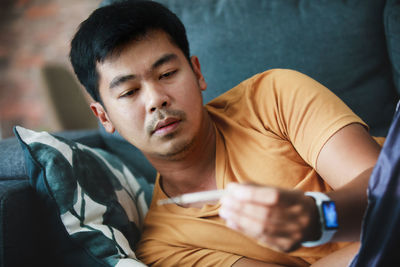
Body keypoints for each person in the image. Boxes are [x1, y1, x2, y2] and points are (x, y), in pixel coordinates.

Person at [69, 1, 384, 266]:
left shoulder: (273, 96)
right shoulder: (166, 248)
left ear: (197, 73)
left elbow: (385, 190)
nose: (156, 100)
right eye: (128, 92)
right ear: (104, 116)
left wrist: (317, 217)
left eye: (167, 74)